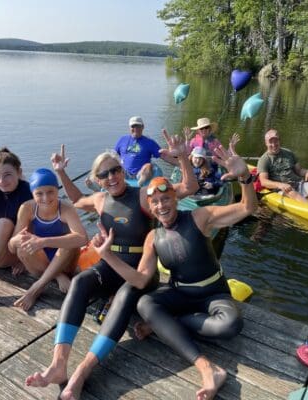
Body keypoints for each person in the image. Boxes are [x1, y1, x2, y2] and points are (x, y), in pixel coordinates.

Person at [25, 132, 198, 399]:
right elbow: (76, 199)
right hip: (111, 264)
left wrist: (183, 157)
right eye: (104, 175)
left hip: (141, 271)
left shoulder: (142, 196)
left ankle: (82, 372)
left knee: (126, 294)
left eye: (115, 170)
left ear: (122, 169)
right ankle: (58, 364)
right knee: (80, 281)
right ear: (97, 180)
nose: (111, 177)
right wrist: (60, 173)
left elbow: (189, 187)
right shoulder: (100, 200)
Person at [87, 145, 257, 400]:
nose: (161, 206)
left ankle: (163, 325)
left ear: (176, 199)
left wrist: (244, 177)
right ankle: (206, 367)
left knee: (231, 325)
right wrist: (107, 255)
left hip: (213, 293)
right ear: (150, 207)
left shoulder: (200, 217)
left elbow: (247, 208)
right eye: (154, 202)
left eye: (166, 199)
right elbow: (140, 280)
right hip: (180, 293)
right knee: (145, 303)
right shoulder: (153, 238)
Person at [8, 168, 88, 311]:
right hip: (40, 265)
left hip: (65, 263)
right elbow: (11, 247)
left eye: (50, 191)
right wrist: (16, 241)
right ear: (32, 194)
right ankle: (57, 275)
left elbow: (82, 239)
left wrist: (43, 242)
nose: (46, 198)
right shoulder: (27, 208)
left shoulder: (66, 208)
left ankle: (36, 288)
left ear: (57, 189)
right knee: (22, 247)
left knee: (69, 242)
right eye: (39, 193)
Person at [0, 148, 32, 293]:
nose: (2, 181)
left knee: (4, 223)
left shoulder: (29, 192)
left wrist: (25, 261)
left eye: (8, 175)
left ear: (19, 172)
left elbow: (40, 227)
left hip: (9, 254)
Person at [114, 116, 177, 186]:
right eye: (133, 126)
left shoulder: (149, 142)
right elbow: (113, 156)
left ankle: (140, 184)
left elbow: (164, 156)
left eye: (138, 126)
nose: (135, 129)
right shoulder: (122, 139)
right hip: (124, 173)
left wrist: (179, 162)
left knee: (150, 166)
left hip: (141, 174)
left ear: (143, 127)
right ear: (130, 127)